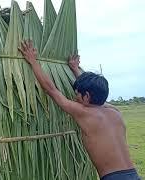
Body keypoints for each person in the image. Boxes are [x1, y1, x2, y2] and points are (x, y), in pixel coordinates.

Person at [18, 40, 140, 180]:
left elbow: (51, 90)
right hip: (133, 175)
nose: (75, 97)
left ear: (87, 95)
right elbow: (93, 93)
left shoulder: (85, 113)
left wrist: (33, 61)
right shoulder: (115, 112)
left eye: (77, 93)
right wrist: (75, 69)